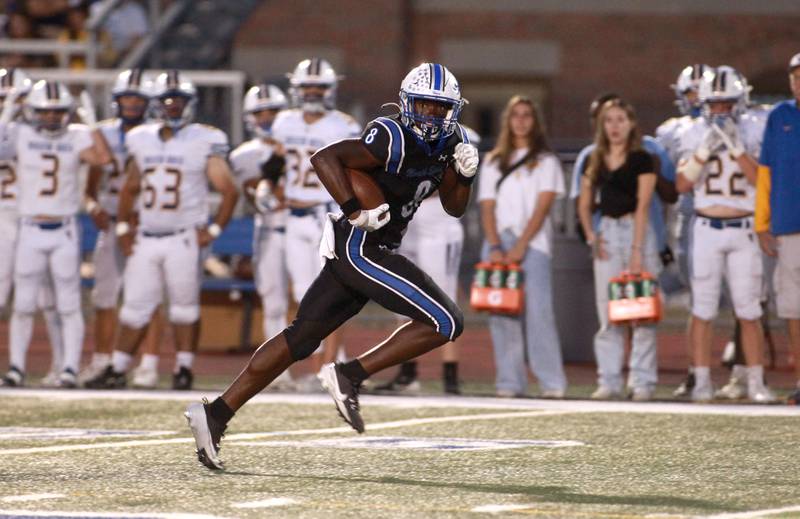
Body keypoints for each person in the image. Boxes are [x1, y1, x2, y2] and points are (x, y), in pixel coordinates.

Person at [185, 62, 479, 470]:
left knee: (301, 337)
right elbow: (325, 158)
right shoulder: (389, 134)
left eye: (439, 109)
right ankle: (350, 375)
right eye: (424, 107)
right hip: (362, 244)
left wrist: (463, 175)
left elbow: (454, 206)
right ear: (408, 104)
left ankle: (215, 413)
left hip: (373, 245)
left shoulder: (452, 141)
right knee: (445, 321)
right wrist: (354, 208)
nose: (431, 117)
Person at [85, 70, 238, 390]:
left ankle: (183, 368)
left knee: (184, 307)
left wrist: (212, 231)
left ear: (190, 104)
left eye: (179, 101)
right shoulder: (140, 138)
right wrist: (125, 228)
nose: (173, 107)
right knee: (135, 307)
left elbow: (229, 190)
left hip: (183, 236)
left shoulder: (204, 138)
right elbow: (129, 188)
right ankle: (118, 367)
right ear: (155, 105)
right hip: (146, 236)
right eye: (167, 101)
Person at [0, 79, 112, 388]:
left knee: (68, 303)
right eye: (45, 112)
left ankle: (69, 369)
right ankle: (16, 368)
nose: (51, 118)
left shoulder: (76, 136)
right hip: (30, 228)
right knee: (23, 304)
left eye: (57, 112)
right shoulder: (21, 134)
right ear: (32, 111)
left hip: (64, 229)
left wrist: (91, 124)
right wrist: (7, 115)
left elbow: (104, 160)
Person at [675, 66, 774, 403]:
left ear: (740, 101)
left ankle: (755, 382)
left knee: (749, 310)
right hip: (705, 227)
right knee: (702, 309)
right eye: (715, 104)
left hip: (744, 227)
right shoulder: (692, 132)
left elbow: (760, 180)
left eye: (727, 103)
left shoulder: (753, 128)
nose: (720, 110)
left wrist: (735, 146)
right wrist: (704, 150)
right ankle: (701, 381)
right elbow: (683, 184)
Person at [263, 58, 361, 390]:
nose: (313, 92)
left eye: (319, 86)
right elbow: (277, 160)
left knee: (330, 294)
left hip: (327, 215)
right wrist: (267, 186)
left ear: (331, 89)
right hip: (293, 217)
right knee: (304, 295)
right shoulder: (284, 122)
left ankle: (327, 367)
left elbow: (356, 171)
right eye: (308, 87)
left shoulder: (343, 126)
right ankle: (332, 363)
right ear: (297, 89)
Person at [375, 126, 481, 396]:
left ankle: (450, 374)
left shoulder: (461, 135)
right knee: (402, 295)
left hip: (438, 220)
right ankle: (406, 373)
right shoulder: (398, 130)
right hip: (405, 217)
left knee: (442, 297)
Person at [477, 95, 567, 398]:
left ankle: (551, 382)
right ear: (508, 120)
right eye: (515, 114)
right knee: (501, 315)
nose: (521, 120)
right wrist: (495, 245)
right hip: (499, 241)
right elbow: (487, 207)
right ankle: (509, 382)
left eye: (527, 115)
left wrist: (522, 245)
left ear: (535, 121)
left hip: (534, 243)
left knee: (540, 312)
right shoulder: (492, 160)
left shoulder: (547, 161)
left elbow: (543, 208)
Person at [81, 68, 164, 389]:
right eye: (126, 97)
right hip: (112, 222)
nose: (131, 103)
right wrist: (93, 207)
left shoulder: (157, 136)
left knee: (149, 298)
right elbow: (90, 190)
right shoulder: (103, 134)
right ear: (116, 100)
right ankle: (102, 360)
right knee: (104, 296)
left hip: (144, 225)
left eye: (138, 98)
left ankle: (149, 364)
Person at [578, 98, 660, 401]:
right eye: (609, 120)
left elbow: (643, 206)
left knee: (642, 312)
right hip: (608, 233)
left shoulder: (642, 158)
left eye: (620, 120)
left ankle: (642, 382)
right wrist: (591, 235)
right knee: (609, 311)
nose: (614, 126)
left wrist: (638, 249)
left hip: (637, 232)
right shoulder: (594, 159)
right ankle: (609, 380)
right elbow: (584, 203)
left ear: (631, 124)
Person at [0, 67, 65, 387]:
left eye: (16, 98)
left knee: (50, 299)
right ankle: (13, 366)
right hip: (4, 218)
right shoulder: (15, 132)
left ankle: (61, 365)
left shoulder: (38, 132)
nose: (7, 103)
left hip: (32, 218)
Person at [229, 83, 294, 391]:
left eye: (273, 112)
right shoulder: (245, 155)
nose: (267, 119)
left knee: (319, 299)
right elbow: (262, 198)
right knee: (273, 303)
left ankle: (328, 364)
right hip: (269, 230)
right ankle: (278, 373)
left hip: (305, 230)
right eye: (260, 113)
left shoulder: (303, 141)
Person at [655, 64, 711, 398]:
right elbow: (667, 186)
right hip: (689, 214)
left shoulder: (742, 125)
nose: (694, 99)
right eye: (689, 93)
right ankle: (698, 371)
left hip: (734, 215)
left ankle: (746, 365)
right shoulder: (673, 131)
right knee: (696, 292)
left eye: (698, 92)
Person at [756, 52, 800, 404]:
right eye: (796, 76)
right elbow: (765, 173)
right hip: (787, 228)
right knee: (792, 307)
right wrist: (761, 223)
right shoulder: (779, 117)